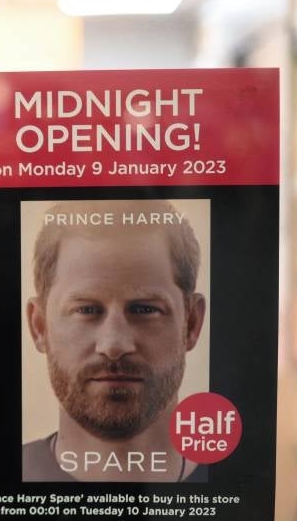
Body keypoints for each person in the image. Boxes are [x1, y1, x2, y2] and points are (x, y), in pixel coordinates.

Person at [21, 200, 207, 483]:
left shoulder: (240, 486)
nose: (114, 345)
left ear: (191, 323)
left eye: (145, 309)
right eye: (86, 310)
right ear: (39, 327)